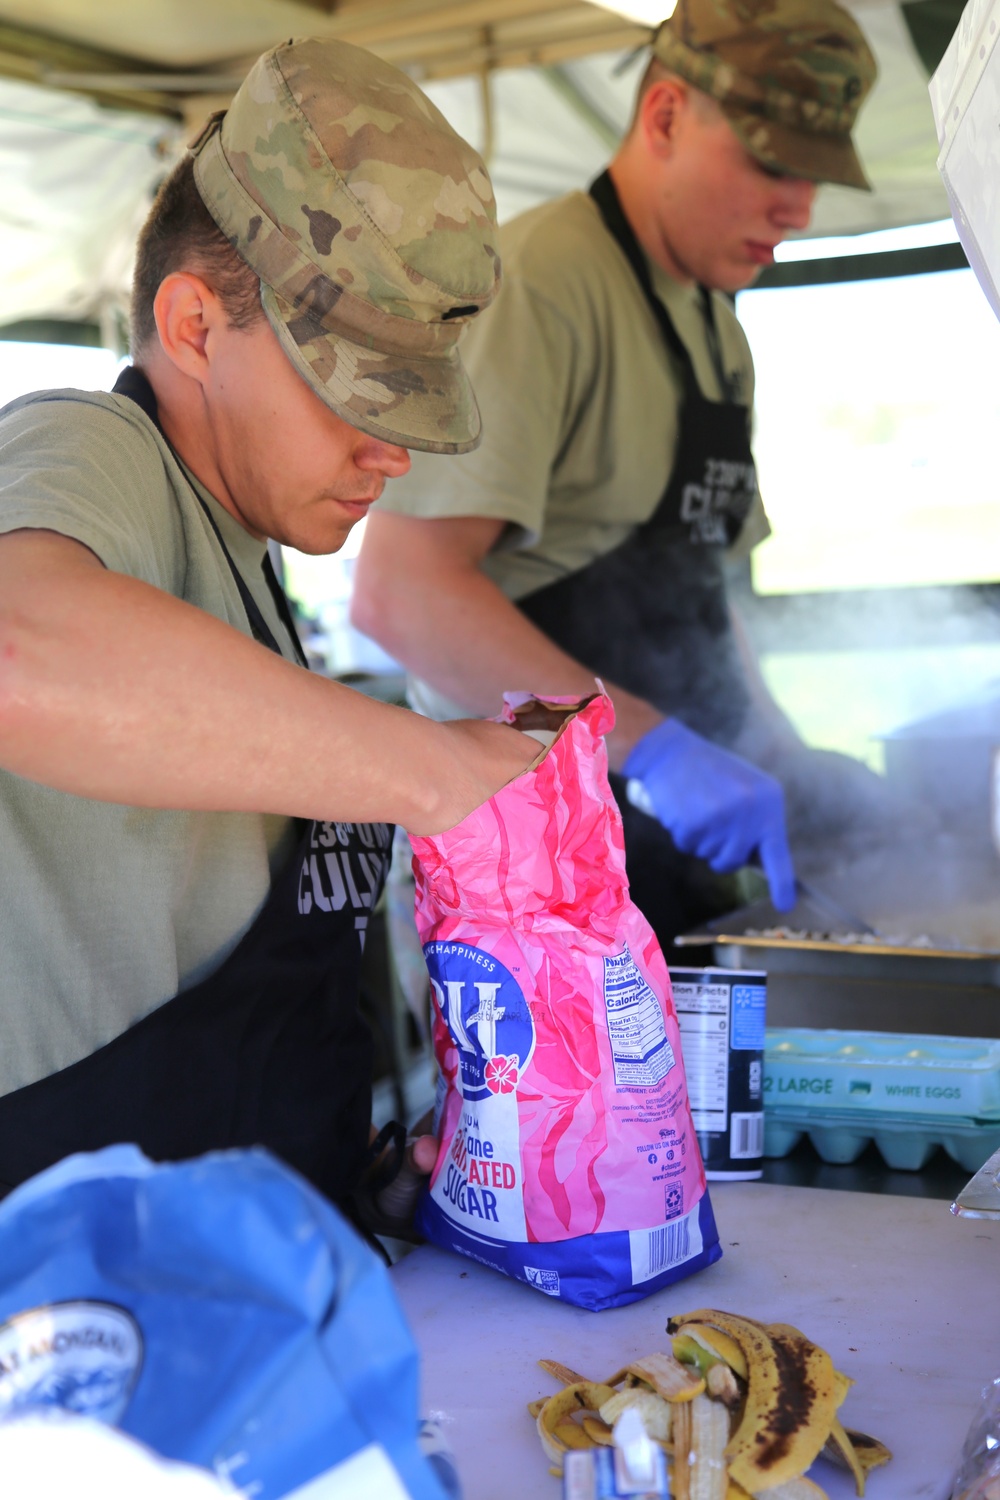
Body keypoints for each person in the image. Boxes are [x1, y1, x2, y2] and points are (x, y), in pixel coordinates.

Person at [0, 36, 539, 1218]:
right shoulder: (88, 449)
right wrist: (437, 770)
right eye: (354, 391)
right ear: (192, 326)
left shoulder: (245, 553)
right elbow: (17, 651)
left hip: (262, 1262)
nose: (389, 450)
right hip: (83, 1299)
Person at [352, 0, 886, 948]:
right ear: (668, 116)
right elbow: (404, 595)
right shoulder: (543, 282)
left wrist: (773, 749)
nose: (798, 207)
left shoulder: (719, 329)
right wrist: (652, 747)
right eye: (772, 163)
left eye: (814, 176)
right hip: (542, 881)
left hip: (668, 866)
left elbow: (705, 601)